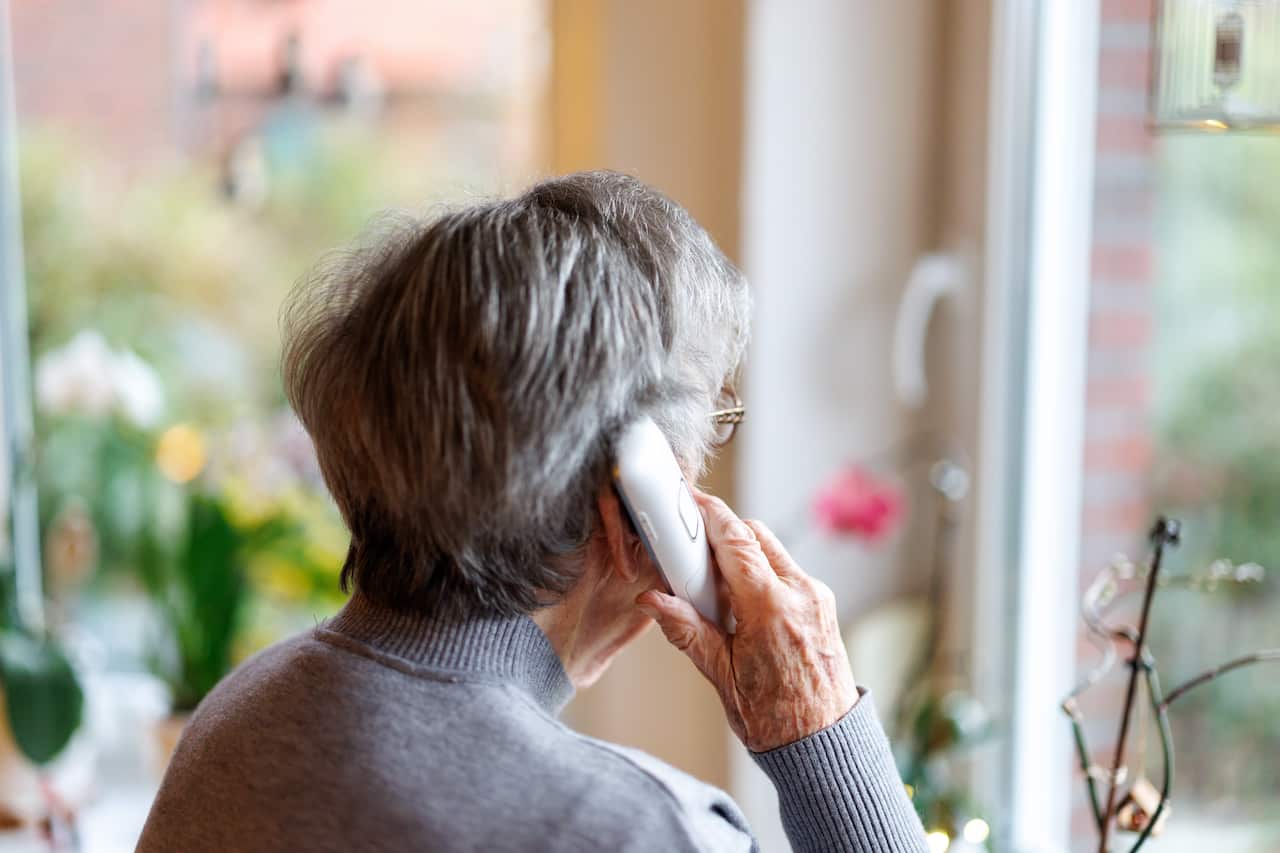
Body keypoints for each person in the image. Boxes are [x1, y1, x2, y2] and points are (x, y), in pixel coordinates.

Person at [138, 172, 928, 852]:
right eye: (704, 439)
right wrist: (821, 736)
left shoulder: (232, 722)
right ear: (636, 507)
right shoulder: (631, 830)